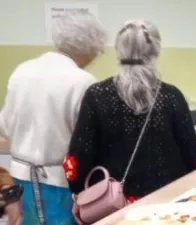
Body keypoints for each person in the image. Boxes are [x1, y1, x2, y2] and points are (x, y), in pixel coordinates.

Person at [64, 20, 196, 217]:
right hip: (168, 209)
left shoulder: (97, 95)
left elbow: (78, 160)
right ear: (155, 51)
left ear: (118, 50)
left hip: (114, 211)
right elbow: (194, 160)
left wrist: (79, 190)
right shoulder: (172, 97)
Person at [0, 10, 106, 225]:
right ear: (91, 47)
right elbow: (89, 140)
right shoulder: (82, 81)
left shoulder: (22, 70)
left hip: (21, 179)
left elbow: (5, 126)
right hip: (59, 182)